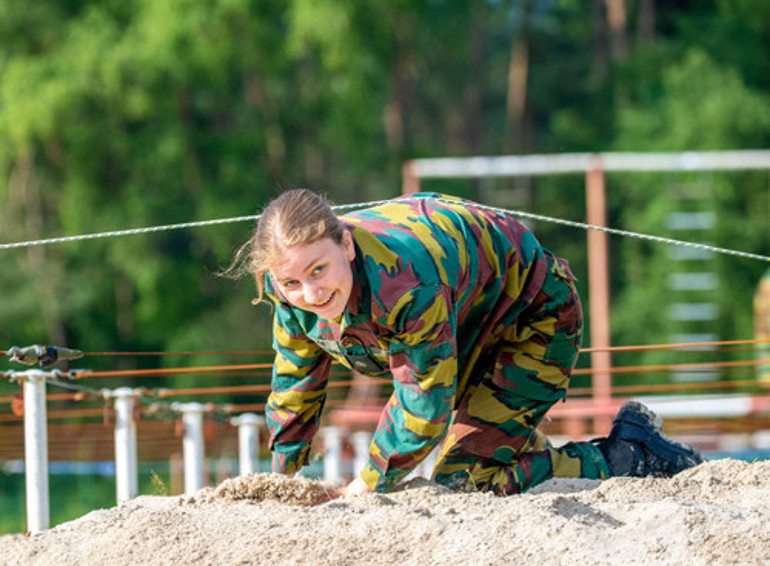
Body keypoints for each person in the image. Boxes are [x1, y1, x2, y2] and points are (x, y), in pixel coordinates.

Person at [229, 188, 704, 496]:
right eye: (292, 282)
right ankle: (513, 442)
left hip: (532, 314)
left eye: (319, 270)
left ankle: (629, 454)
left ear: (347, 246)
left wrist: (365, 486)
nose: (310, 294)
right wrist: (282, 482)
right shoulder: (289, 291)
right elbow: (296, 383)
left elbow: (423, 407)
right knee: (484, 450)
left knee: (464, 482)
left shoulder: (406, 284)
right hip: (466, 319)